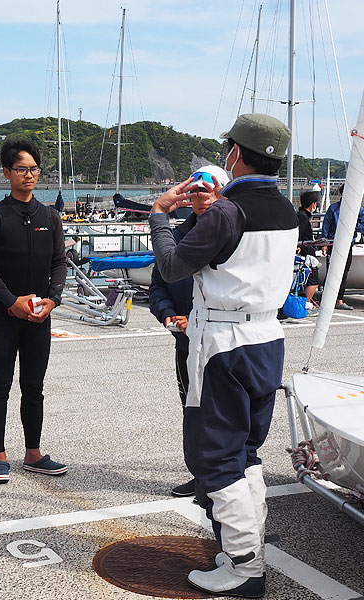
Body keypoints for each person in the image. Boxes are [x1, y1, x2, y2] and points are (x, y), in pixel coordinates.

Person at [149, 113, 298, 598]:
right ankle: (247, 548)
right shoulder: (286, 209)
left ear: (236, 153)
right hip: (268, 338)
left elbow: (172, 266)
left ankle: (242, 567)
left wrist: (159, 217)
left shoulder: (227, 211)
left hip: (223, 344)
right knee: (247, 452)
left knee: (216, 457)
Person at [0, 139, 68, 484]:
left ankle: (33, 453)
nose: (28, 175)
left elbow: (60, 261)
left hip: (39, 316)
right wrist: (9, 300)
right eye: (20, 169)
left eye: (33, 169)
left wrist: (53, 300)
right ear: (6, 173)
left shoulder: (51, 217)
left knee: (34, 386)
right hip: (4, 316)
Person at [148, 165, 228, 499]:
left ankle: (223, 480)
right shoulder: (178, 237)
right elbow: (157, 286)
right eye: (193, 191)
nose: (198, 197)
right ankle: (199, 476)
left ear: (222, 191)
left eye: (205, 190)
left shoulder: (230, 235)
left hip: (221, 342)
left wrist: (193, 318)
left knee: (222, 412)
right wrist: (169, 315)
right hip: (185, 342)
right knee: (190, 409)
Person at [321, 183, 364, 310]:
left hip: (348, 245)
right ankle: (328, 300)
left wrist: (354, 226)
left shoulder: (358, 209)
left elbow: (363, 224)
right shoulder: (333, 208)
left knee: (344, 272)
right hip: (333, 244)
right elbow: (325, 227)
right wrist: (324, 244)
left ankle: (339, 300)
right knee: (331, 272)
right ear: (341, 193)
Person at [296, 190, 321, 315]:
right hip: (306, 254)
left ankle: (306, 304)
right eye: (316, 203)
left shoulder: (302, 215)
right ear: (312, 204)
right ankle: (305, 305)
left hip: (306, 252)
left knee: (308, 280)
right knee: (313, 280)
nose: (316, 206)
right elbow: (299, 234)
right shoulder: (302, 216)